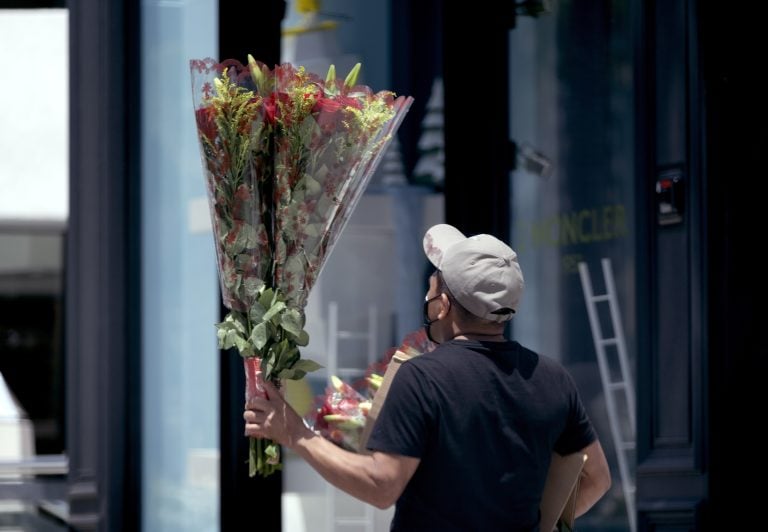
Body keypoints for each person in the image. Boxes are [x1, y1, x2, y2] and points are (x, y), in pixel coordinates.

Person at [244, 223, 611, 531]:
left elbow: (381, 485)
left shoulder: (423, 378)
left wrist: (296, 434)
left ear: (444, 304)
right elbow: (597, 480)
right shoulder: (553, 378)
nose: (429, 287)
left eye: (434, 279)